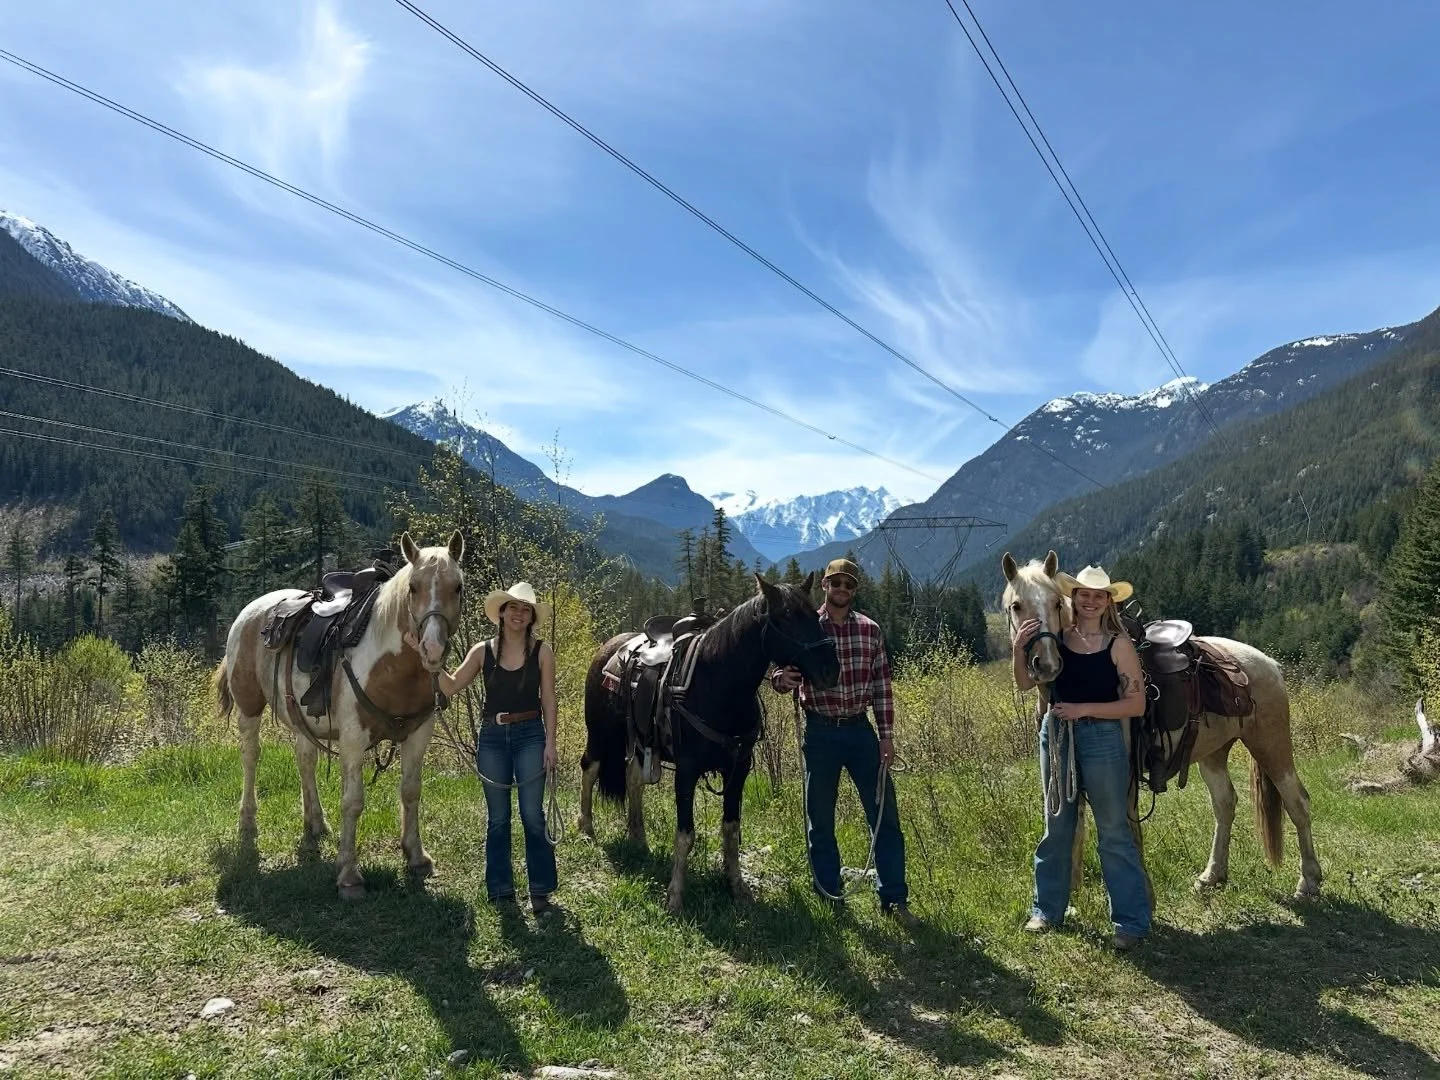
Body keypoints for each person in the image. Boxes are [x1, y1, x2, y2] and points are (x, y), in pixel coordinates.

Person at [770, 558, 916, 927]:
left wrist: (886, 737)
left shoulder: (870, 631)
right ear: (824, 586)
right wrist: (780, 678)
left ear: (854, 590)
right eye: (835, 583)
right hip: (819, 732)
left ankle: (894, 898)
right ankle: (828, 894)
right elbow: (777, 671)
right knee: (820, 818)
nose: (841, 590)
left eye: (848, 585)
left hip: (860, 732)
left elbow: (882, 687)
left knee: (884, 814)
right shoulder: (806, 625)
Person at [1012, 564, 1150, 951]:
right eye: (1084, 595)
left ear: (1109, 601)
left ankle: (1131, 922)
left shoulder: (1117, 644)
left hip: (1103, 738)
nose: (1090, 601)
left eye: (1099, 595)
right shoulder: (1059, 638)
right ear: (1074, 599)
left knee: (1113, 830)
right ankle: (1046, 910)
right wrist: (1017, 649)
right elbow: (1026, 684)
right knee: (1056, 828)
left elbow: (1135, 704)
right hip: (1056, 737)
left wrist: (1083, 709)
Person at [418, 581, 559, 915]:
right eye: (513, 607)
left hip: (530, 735)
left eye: (525, 610)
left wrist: (551, 743)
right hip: (493, 737)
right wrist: (430, 661)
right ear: (502, 612)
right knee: (498, 819)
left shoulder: (543, 651)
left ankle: (540, 892)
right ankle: (500, 892)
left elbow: (549, 698)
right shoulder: (483, 651)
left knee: (532, 815)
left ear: (531, 617)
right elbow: (451, 687)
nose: (518, 614)